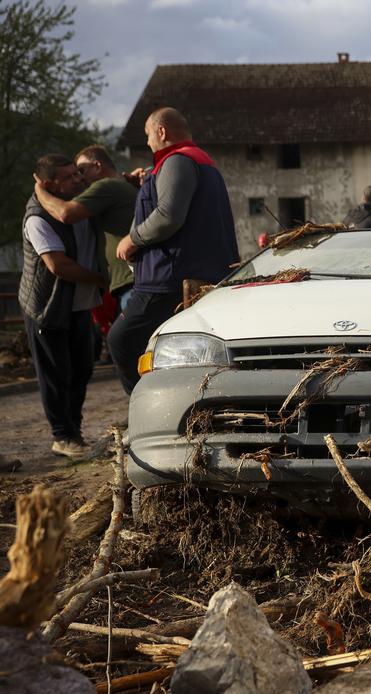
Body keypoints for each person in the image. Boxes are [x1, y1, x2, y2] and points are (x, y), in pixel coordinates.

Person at [108, 106, 240, 395]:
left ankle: (140, 407)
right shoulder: (199, 161)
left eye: (147, 135)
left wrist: (133, 239)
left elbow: (168, 215)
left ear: (162, 131)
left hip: (168, 277)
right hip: (194, 272)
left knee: (122, 339)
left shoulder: (177, 162)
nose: (147, 143)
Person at [19, 154, 107, 458]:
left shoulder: (77, 203)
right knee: (56, 374)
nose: (78, 179)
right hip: (48, 307)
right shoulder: (37, 217)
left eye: (76, 174)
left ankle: (74, 432)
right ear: (48, 185)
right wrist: (100, 278)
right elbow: (58, 266)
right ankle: (63, 436)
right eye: (69, 176)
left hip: (78, 304)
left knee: (82, 368)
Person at [34, 144, 136, 312]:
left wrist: (40, 191)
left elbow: (66, 213)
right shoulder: (120, 185)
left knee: (124, 338)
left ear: (97, 166)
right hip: (129, 283)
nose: (79, 179)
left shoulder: (106, 186)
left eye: (81, 171)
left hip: (130, 284)